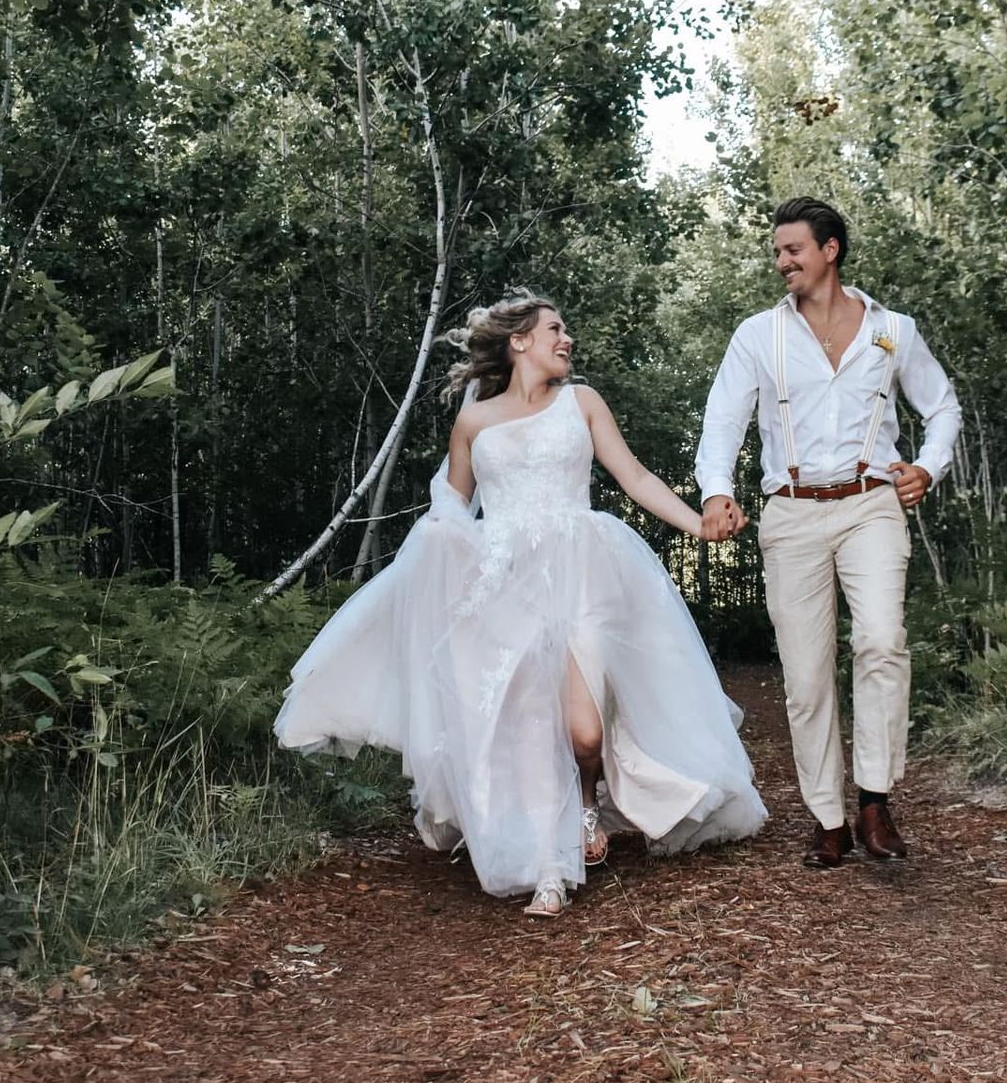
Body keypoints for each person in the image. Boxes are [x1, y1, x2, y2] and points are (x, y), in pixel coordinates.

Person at [276, 290, 767, 917]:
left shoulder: (582, 403)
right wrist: (446, 561)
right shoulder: (474, 423)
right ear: (520, 341)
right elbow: (452, 509)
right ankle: (548, 868)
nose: (567, 339)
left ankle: (587, 803)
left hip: (583, 572)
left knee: (584, 734)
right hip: (505, 585)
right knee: (529, 728)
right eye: (555, 328)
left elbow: (635, 477)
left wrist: (698, 524)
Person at [696, 197, 960, 869]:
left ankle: (874, 800)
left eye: (793, 250)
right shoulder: (758, 335)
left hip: (871, 504)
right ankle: (828, 818)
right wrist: (717, 490)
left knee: (881, 640)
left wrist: (927, 467)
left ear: (829, 250)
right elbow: (723, 420)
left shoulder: (893, 330)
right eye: (778, 252)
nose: (781, 262)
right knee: (808, 678)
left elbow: (942, 406)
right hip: (792, 513)